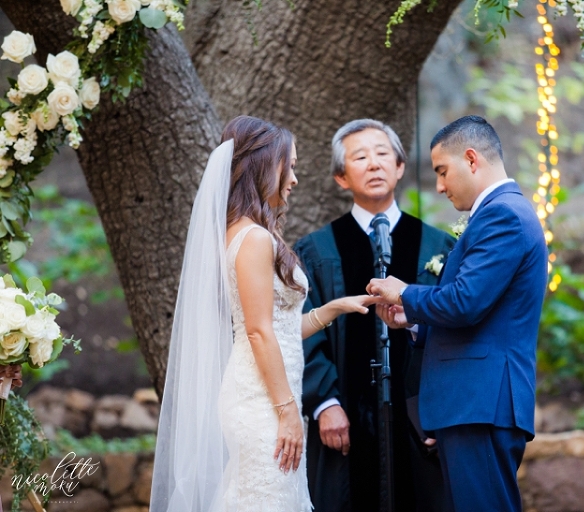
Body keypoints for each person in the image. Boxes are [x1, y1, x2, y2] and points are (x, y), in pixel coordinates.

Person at [150, 116, 379, 512]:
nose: (293, 178)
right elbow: (257, 332)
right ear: (263, 167)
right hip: (262, 401)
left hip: (269, 397)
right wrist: (288, 411)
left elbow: (281, 329)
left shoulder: (247, 231)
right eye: (288, 166)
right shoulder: (253, 238)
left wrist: (333, 309)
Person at [367, 115, 548, 512]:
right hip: (471, 404)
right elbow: (478, 310)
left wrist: (405, 292)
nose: (439, 186)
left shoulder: (503, 216)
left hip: (481, 404)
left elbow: (466, 302)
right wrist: (411, 319)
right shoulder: (498, 214)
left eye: (442, 171)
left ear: (471, 159)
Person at [294, 119, 455, 512]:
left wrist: (443, 409)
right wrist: (324, 404)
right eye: (360, 157)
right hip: (343, 422)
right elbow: (301, 330)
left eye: (383, 154)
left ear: (400, 167)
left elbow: (454, 333)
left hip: (421, 423)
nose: (374, 164)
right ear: (340, 177)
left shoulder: (439, 246)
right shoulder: (316, 250)